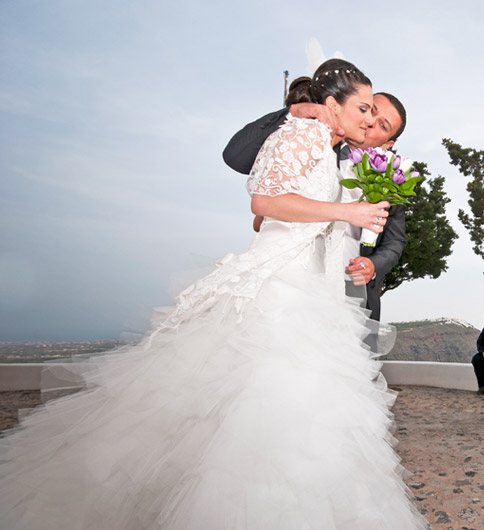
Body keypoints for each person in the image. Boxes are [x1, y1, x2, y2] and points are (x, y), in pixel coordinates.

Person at [0, 59, 427, 529]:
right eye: (365, 108)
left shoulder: (337, 153)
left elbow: (355, 228)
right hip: (283, 288)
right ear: (332, 105)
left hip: (319, 290)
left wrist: (352, 228)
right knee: (270, 396)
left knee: (309, 411)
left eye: (378, 120)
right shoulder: (303, 131)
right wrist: (340, 209)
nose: (369, 121)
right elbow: (262, 205)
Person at [225, 90, 408, 321]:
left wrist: (373, 264)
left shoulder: (393, 179)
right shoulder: (313, 141)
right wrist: (292, 112)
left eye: (382, 125)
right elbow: (235, 156)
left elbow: (396, 240)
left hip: (352, 289)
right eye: (370, 110)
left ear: (388, 143)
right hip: (294, 277)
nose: (370, 122)